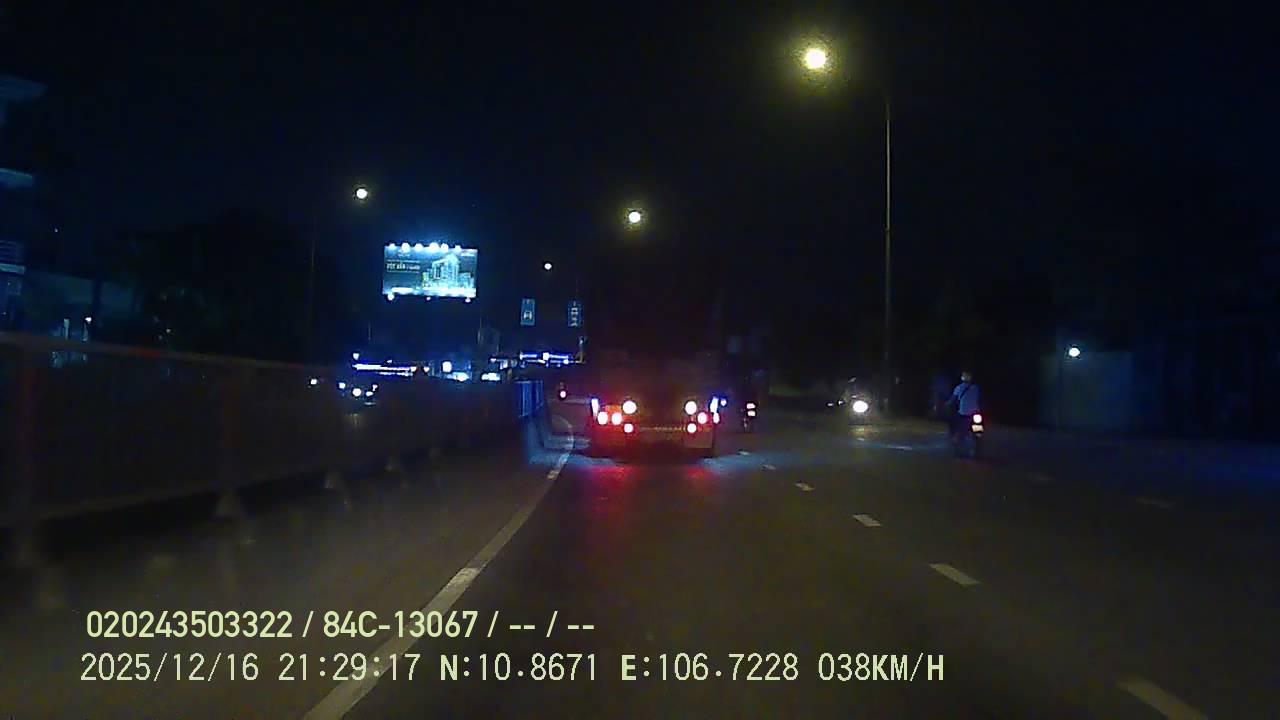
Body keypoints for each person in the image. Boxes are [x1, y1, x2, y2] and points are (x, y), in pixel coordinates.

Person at [946, 371, 981, 437]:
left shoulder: (959, 387)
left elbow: (953, 399)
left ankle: (953, 435)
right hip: (976, 411)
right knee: (978, 427)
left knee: (952, 419)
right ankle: (977, 435)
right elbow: (979, 398)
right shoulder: (976, 387)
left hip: (964, 412)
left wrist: (947, 404)